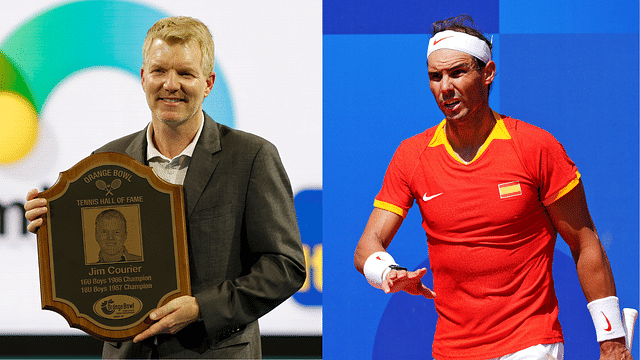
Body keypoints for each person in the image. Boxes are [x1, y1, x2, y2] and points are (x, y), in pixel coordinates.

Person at [25, 16, 305, 359]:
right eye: (159, 71)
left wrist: (202, 307)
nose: (170, 84)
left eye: (186, 74)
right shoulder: (105, 162)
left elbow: (285, 266)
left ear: (208, 83)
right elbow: (90, 260)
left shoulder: (251, 157)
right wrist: (51, 226)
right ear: (143, 78)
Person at [353, 15, 632, 360]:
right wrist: (387, 272)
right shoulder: (412, 156)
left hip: (530, 342)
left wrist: (613, 342)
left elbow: (584, 242)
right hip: (451, 349)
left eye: (457, 72)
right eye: (435, 76)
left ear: (487, 74)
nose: (445, 87)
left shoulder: (535, 147)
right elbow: (367, 246)